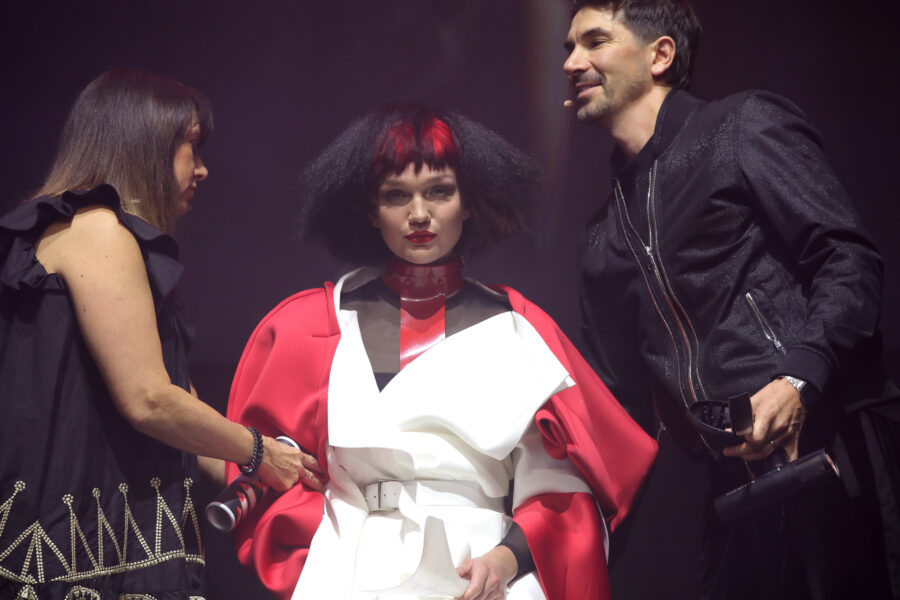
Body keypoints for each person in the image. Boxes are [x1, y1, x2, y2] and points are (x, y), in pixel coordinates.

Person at [223, 103, 658, 600]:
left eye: (439, 191)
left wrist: (503, 560)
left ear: (469, 201)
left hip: (481, 572)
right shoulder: (308, 325)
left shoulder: (517, 329)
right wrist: (320, 556)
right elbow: (261, 470)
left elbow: (563, 494)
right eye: (396, 195)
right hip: (345, 565)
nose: (419, 214)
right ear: (371, 210)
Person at [563, 1, 900, 598]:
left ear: (660, 55)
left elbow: (848, 260)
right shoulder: (601, 235)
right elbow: (617, 413)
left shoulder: (740, 126)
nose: (571, 62)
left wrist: (798, 378)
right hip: (737, 494)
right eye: (568, 48)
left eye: (594, 41)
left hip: (835, 449)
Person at [0, 69, 311, 599]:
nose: (203, 169)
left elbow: (177, 401)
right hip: (73, 535)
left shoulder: (101, 235)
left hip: (112, 531)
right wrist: (260, 452)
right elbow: (148, 399)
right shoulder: (96, 229)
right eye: (191, 146)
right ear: (144, 146)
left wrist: (277, 470)